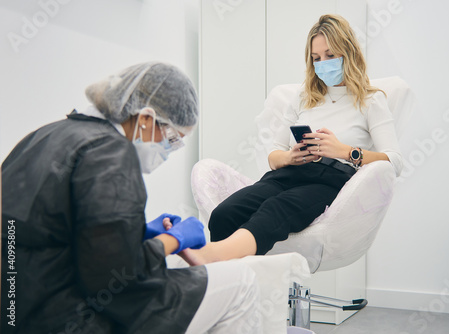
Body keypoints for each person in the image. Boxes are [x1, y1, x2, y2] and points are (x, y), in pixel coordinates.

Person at [1, 62, 262, 334]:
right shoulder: (111, 153)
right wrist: (174, 239)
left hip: (18, 313)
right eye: (172, 138)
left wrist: (136, 235)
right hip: (72, 318)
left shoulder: (42, 136)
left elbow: (51, 232)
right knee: (241, 282)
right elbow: (118, 279)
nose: (169, 150)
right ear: (146, 119)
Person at [180, 14, 404, 266]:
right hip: (288, 174)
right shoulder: (302, 97)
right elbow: (275, 154)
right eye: (316, 58)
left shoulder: (371, 100)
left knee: (275, 209)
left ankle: (213, 256)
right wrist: (290, 156)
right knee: (225, 213)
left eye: (330, 55)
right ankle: (232, 287)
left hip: (331, 181)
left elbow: (394, 162)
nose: (323, 63)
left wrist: (344, 151)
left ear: (348, 53)